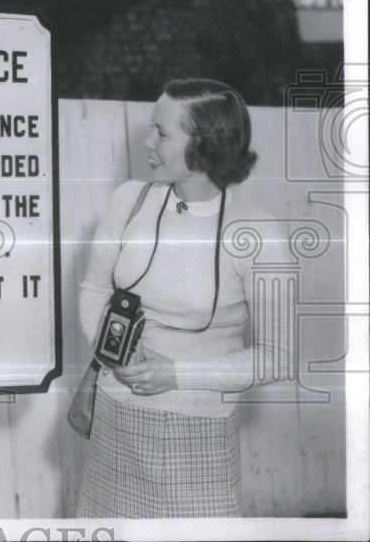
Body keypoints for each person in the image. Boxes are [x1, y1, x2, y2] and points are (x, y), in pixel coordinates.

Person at [75, 78, 289, 518]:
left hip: (199, 432)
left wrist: (177, 374)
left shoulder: (259, 235)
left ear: (206, 145)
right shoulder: (128, 202)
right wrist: (111, 357)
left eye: (162, 133)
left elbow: (277, 357)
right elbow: (95, 289)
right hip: (115, 418)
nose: (147, 142)